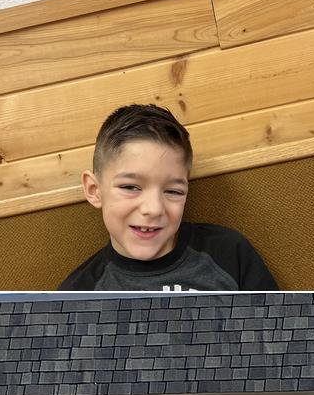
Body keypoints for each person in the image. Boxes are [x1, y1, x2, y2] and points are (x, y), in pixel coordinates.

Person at [58, 104, 278, 291]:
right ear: (94, 190)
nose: (153, 209)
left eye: (173, 191)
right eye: (130, 187)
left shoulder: (228, 252)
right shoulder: (76, 295)